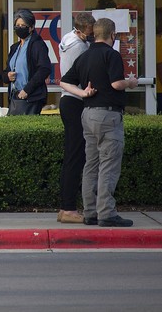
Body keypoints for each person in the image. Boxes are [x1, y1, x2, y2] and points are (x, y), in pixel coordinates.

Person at [60, 17, 138, 227]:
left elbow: (64, 82)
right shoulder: (111, 55)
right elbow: (116, 83)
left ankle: (90, 212)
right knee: (109, 164)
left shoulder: (85, 56)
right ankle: (107, 213)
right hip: (108, 115)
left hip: (87, 114)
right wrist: (130, 83)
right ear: (112, 35)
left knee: (91, 164)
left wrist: (83, 93)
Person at [56, 12, 96, 224]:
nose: (91, 37)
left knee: (72, 155)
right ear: (81, 31)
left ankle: (66, 207)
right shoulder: (79, 47)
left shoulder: (68, 38)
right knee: (75, 156)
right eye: (89, 33)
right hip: (74, 100)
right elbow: (84, 75)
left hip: (67, 101)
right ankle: (68, 208)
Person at [1, 9, 51, 115]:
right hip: (15, 97)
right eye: (17, 25)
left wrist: (27, 90)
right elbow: (6, 71)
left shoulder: (38, 45)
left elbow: (44, 69)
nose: (19, 28)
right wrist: (7, 76)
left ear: (31, 27)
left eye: (23, 25)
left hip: (31, 98)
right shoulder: (15, 47)